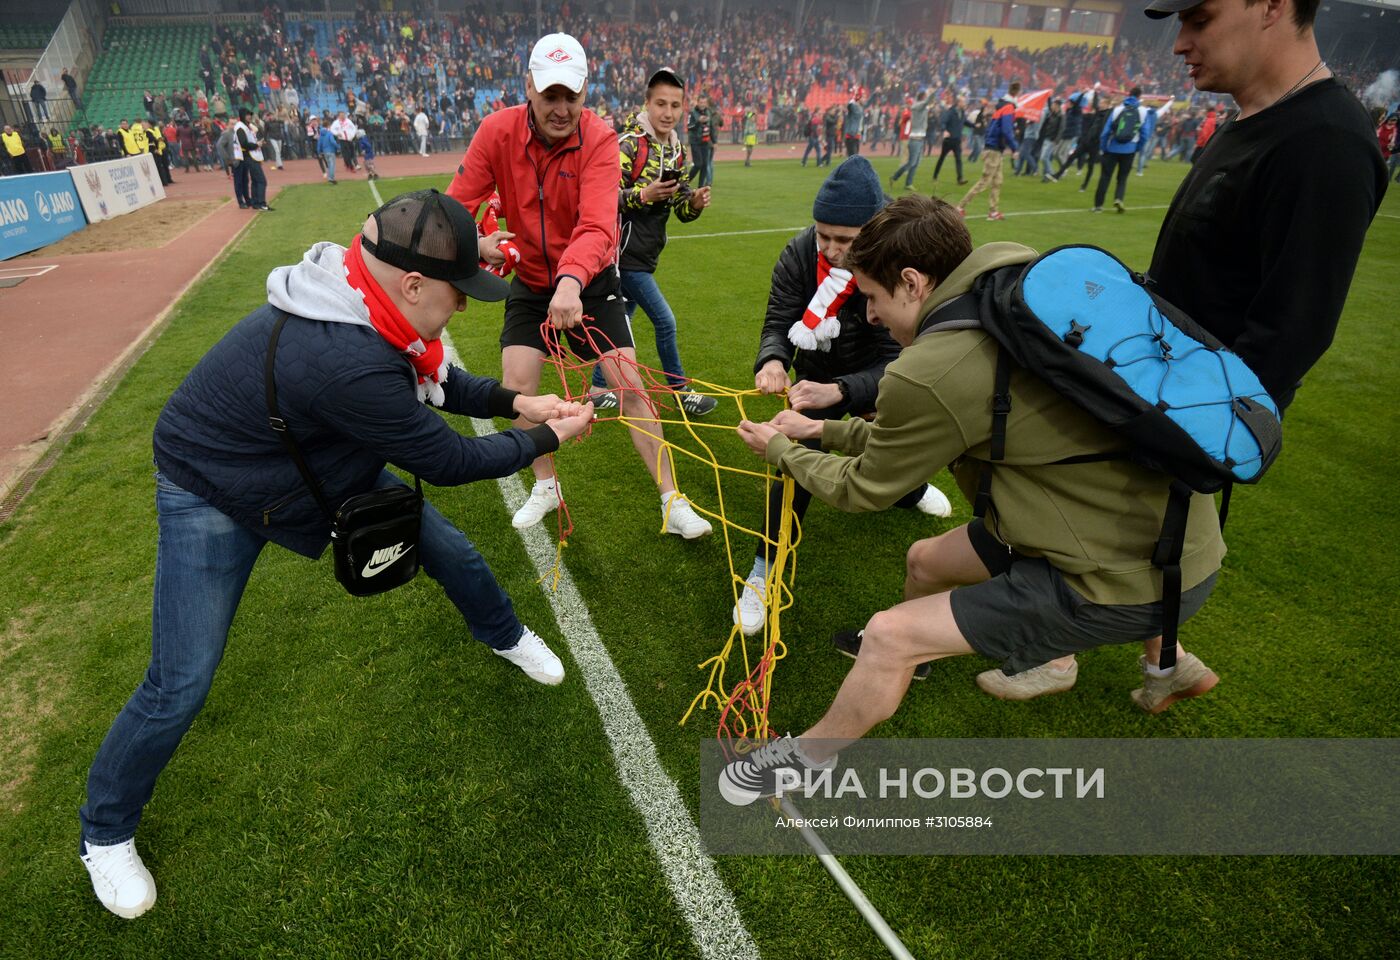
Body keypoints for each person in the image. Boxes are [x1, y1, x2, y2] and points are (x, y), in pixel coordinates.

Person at [76, 189, 595, 920]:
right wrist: (550, 439)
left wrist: (520, 406)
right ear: (411, 284)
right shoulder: (347, 358)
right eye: (459, 293)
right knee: (180, 682)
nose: (467, 308)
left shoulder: (363, 295)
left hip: (312, 455)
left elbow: (440, 382)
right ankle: (104, 833)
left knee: (450, 549)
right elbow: (446, 461)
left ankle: (504, 634)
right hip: (213, 488)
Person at [721, 194, 1226, 793]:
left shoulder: (929, 369)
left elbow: (864, 489)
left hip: (1121, 572)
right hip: (1168, 528)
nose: (873, 317)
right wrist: (821, 429)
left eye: (875, 299)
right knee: (924, 560)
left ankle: (806, 759)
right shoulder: (1008, 277)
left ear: (911, 283)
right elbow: (915, 433)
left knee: (887, 636)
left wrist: (783, 450)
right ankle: (921, 663)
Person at [977, 0, 1388, 708]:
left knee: (1069, 503)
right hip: (1150, 388)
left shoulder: (1325, 142)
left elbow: (1293, 329)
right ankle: (1167, 664)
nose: (1181, 42)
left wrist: (1181, 435)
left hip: (1181, 409)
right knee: (1139, 531)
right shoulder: (1257, 117)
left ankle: (1057, 650)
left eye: (1199, 17)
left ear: (1271, 6)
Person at [447, 33, 713, 538]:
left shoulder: (600, 139)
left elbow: (597, 225)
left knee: (631, 387)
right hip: (530, 280)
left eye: (571, 95)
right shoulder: (496, 132)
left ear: (585, 91)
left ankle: (672, 500)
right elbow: (457, 205)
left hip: (590, 282)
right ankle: (546, 487)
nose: (561, 108)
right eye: (550, 95)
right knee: (517, 386)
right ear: (528, 86)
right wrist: (475, 243)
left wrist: (570, 283)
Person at [732, 163, 954, 635]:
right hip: (816, 380)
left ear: (873, 234)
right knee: (793, 464)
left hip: (879, 380)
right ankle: (762, 570)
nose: (831, 250)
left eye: (845, 240)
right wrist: (772, 360)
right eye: (824, 236)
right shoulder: (798, 254)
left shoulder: (897, 268)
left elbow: (899, 358)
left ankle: (909, 491)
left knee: (888, 451)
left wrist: (846, 390)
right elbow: (778, 321)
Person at [588, 68, 717, 418]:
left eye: (675, 105)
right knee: (665, 321)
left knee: (621, 321)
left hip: (646, 253)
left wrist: (693, 203)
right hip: (622, 254)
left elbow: (680, 206)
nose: (668, 112)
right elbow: (602, 197)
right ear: (647, 103)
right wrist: (643, 195)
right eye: (661, 103)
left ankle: (597, 390)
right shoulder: (628, 144)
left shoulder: (675, 150)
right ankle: (680, 391)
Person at [958, 82, 1018, 222]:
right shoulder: (1008, 108)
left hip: (995, 148)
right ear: (1017, 93)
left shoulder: (1001, 107)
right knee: (984, 182)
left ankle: (993, 211)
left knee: (997, 181)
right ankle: (960, 207)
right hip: (994, 150)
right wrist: (1014, 148)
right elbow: (1006, 130)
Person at [1093, 87, 1154, 213]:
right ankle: (1118, 198)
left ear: (1128, 95)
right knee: (1122, 178)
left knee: (1105, 177)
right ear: (1139, 96)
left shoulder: (1117, 109)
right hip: (1130, 149)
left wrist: (1104, 148)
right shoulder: (1143, 112)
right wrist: (1137, 147)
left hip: (1112, 148)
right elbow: (1145, 134)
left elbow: (1105, 132)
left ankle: (1098, 206)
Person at [889, 89, 930, 189]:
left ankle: (908, 183)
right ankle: (895, 176)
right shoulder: (917, 108)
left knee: (915, 163)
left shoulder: (920, 109)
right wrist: (932, 92)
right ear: (923, 98)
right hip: (914, 139)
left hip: (920, 139)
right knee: (911, 162)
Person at [233, 108, 270, 211]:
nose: (249, 116)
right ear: (242, 116)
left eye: (250, 114)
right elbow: (243, 143)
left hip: (252, 156)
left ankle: (256, 203)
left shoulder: (246, 127)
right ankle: (261, 203)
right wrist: (256, 145)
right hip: (249, 157)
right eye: (247, 114)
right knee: (262, 181)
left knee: (255, 181)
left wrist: (259, 143)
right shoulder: (240, 128)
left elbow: (250, 140)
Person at [930, 94, 967, 185]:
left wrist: (974, 126)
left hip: (957, 140)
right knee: (942, 158)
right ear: (959, 102)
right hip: (949, 140)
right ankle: (935, 176)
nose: (965, 103)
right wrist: (945, 130)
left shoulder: (962, 112)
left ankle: (960, 179)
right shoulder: (950, 112)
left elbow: (965, 122)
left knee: (958, 159)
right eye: (963, 101)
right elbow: (943, 122)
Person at [687, 91, 721, 187]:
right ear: (697, 102)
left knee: (705, 166)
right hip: (695, 142)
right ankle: (686, 182)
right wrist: (698, 121)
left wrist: (714, 142)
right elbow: (689, 127)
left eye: (704, 103)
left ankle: (700, 187)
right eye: (701, 102)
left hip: (706, 142)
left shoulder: (708, 112)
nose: (702, 105)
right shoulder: (693, 113)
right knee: (698, 164)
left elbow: (711, 128)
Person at [315, 117, 340, 184]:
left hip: (325, 152)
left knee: (329, 164)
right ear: (328, 126)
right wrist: (338, 147)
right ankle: (331, 178)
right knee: (332, 164)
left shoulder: (320, 134)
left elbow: (319, 143)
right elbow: (332, 141)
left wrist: (319, 152)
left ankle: (330, 177)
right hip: (331, 151)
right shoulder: (329, 133)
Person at [843, 90, 864, 157]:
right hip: (851, 134)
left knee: (855, 154)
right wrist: (854, 98)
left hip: (856, 134)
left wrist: (874, 94)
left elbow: (868, 103)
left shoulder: (860, 109)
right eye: (862, 98)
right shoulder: (852, 109)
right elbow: (850, 105)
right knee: (853, 154)